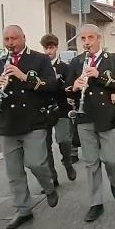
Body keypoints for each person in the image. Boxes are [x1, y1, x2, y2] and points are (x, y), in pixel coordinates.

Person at [0, 25, 59, 229]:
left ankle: (49, 185)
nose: (10, 43)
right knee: (14, 171)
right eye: (6, 39)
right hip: (7, 123)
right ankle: (23, 209)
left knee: (36, 163)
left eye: (14, 38)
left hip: (33, 120)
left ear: (24, 38)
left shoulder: (39, 59)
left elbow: (52, 86)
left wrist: (24, 76)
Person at [66, 24, 115, 222]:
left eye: (90, 38)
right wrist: (74, 87)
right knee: (91, 162)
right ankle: (96, 203)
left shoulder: (112, 60)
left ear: (99, 39)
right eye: (83, 39)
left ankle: (113, 179)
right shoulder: (76, 62)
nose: (86, 42)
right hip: (84, 116)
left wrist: (99, 76)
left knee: (111, 159)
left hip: (106, 117)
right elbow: (67, 88)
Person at [40, 33, 77, 185]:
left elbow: (68, 88)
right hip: (43, 110)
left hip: (61, 108)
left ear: (56, 48)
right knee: (45, 146)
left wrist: (57, 81)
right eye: (46, 48)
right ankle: (52, 177)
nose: (49, 52)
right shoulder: (39, 67)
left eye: (51, 48)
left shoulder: (65, 67)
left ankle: (67, 162)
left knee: (64, 140)